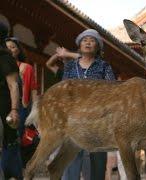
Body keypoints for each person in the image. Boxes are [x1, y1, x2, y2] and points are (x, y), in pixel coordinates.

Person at [48, 29, 115, 180]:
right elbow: (64, 89)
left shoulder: (104, 66)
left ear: (98, 47)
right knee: (72, 160)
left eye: (92, 40)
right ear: (79, 45)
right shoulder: (70, 66)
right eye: (85, 40)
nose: (88, 42)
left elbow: (113, 90)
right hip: (73, 118)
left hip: (98, 120)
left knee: (96, 163)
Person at [5, 37, 39, 167]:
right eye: (7, 47)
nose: (10, 49)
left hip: (21, 108)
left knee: (18, 138)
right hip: (4, 107)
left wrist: (35, 110)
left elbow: (34, 89)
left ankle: (18, 169)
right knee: (7, 140)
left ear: (18, 50)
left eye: (13, 47)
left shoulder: (27, 68)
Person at [0, 22, 21, 180]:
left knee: (8, 145)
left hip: (3, 107)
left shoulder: (5, 57)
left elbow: (13, 85)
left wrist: (14, 110)